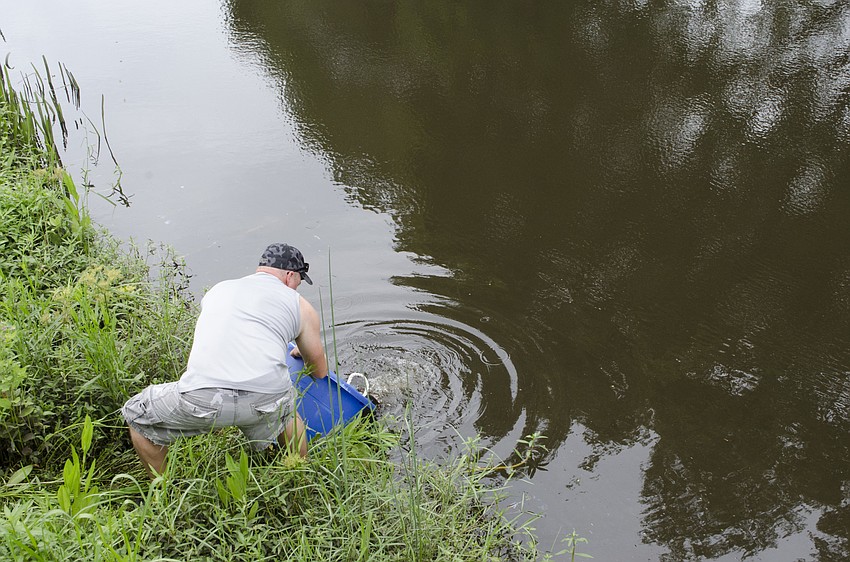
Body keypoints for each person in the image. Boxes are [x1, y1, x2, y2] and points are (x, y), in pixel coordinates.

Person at [121, 242, 328, 477]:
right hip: (266, 400)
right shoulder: (299, 304)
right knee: (286, 407)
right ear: (290, 275)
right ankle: (300, 476)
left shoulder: (219, 289)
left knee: (137, 414)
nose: (296, 289)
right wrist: (303, 351)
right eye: (298, 283)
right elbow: (319, 370)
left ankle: (162, 491)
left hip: (204, 398)